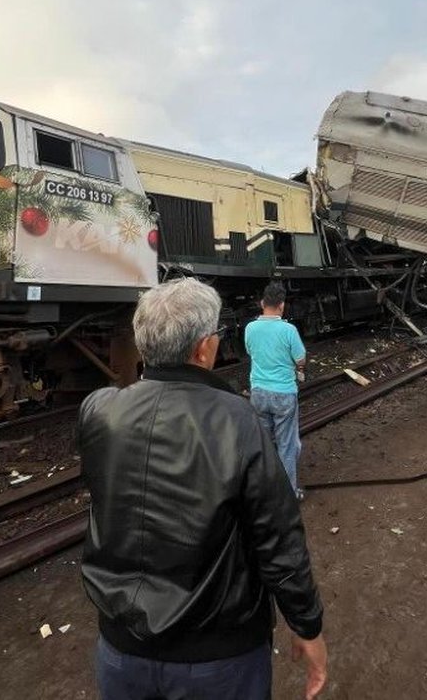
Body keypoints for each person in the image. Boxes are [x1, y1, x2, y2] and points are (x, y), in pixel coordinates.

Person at [78, 277, 327, 700]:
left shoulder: (98, 410)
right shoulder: (237, 419)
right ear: (204, 348)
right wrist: (307, 626)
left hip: (119, 649)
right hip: (219, 656)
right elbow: (278, 539)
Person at [245, 281, 306, 501]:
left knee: (264, 444)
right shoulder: (289, 330)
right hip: (283, 394)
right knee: (287, 445)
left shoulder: (250, 328)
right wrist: (297, 367)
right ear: (281, 305)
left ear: (262, 303)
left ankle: (265, 491)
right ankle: (288, 495)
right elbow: (300, 358)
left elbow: (251, 352)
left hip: (258, 394)